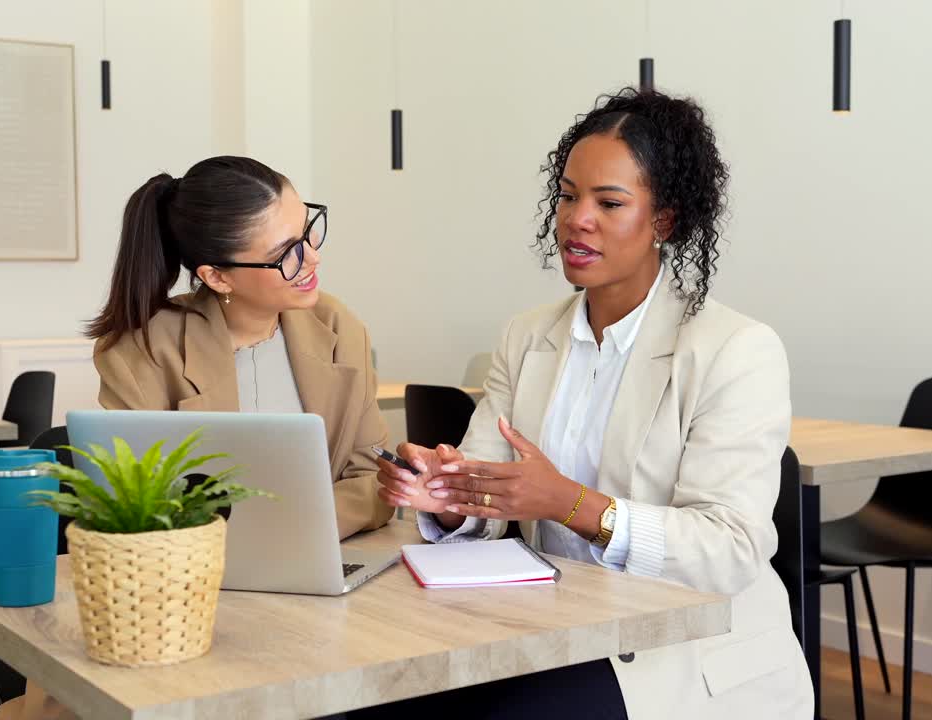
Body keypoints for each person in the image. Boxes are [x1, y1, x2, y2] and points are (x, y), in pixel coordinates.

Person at [375, 89, 813, 718]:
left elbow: (730, 549)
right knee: (392, 699)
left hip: (682, 650)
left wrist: (571, 504)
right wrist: (448, 499)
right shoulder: (526, 337)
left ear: (664, 221)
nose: (577, 219)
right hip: (552, 629)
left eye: (609, 203)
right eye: (568, 195)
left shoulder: (737, 349)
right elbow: (486, 493)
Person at [89, 155, 393, 540]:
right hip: (198, 577)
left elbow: (375, 479)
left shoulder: (336, 325)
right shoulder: (140, 352)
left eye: (307, 232)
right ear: (216, 277)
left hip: (325, 563)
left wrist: (295, 531)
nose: (312, 258)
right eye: (286, 254)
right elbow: (139, 510)